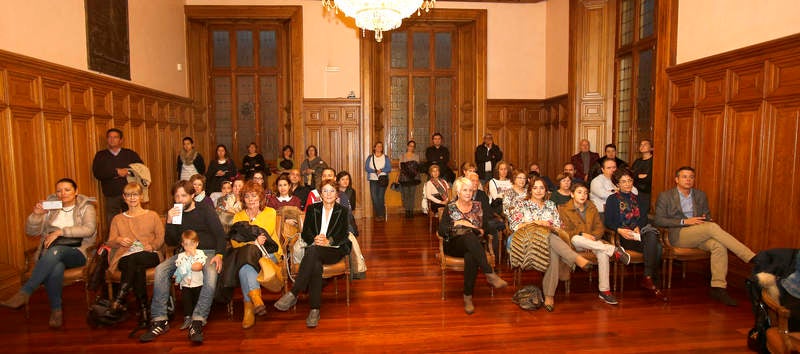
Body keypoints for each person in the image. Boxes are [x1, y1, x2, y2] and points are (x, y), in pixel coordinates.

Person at [1, 178, 97, 328]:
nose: (62, 193)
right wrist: (37, 215)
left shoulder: (86, 207)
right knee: (56, 267)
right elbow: (31, 232)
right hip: (51, 254)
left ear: (76, 191)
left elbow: (89, 229)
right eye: (59, 190)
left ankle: (24, 292)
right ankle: (56, 311)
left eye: (67, 190)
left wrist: (61, 232)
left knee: (55, 250)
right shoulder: (51, 207)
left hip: (77, 252)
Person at [655, 166, 756, 306]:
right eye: (684, 177)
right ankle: (750, 256)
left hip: (699, 232)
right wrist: (685, 221)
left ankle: (718, 287)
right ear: (676, 179)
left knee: (718, 245)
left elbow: (706, 216)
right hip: (677, 235)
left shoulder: (700, 195)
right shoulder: (665, 196)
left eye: (691, 177)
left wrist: (705, 218)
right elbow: (658, 220)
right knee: (712, 228)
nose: (688, 180)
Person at [140, 180, 226, 344]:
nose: (179, 199)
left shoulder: (205, 209)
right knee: (161, 269)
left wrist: (220, 254)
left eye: (183, 196)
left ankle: (197, 320)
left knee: (211, 273)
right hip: (184, 254)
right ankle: (160, 319)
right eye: (177, 196)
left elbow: (220, 235)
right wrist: (170, 222)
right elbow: (171, 242)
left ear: (192, 195)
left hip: (207, 252)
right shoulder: (175, 213)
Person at [505, 177, 593, 312]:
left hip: (549, 239)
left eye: (542, 188)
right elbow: (515, 225)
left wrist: (549, 227)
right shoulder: (521, 204)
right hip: (526, 239)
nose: (539, 191)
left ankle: (549, 296)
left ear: (546, 190)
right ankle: (575, 258)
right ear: (530, 190)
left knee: (552, 248)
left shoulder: (551, 205)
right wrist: (537, 223)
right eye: (535, 188)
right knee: (548, 238)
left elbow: (558, 226)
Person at [274, 180, 353, 328]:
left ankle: (294, 292)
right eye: (325, 191)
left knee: (312, 252)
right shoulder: (312, 209)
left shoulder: (342, 211)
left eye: (331, 191)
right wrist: (315, 238)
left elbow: (343, 234)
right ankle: (314, 310)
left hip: (334, 249)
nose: (328, 194)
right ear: (320, 194)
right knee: (315, 263)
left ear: (336, 194)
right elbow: (306, 233)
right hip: (315, 248)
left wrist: (328, 241)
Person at [437, 177, 508, 314]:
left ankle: (467, 297)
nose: (468, 193)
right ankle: (489, 273)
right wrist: (456, 224)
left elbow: (487, 227)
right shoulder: (450, 207)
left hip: (474, 246)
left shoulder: (478, 206)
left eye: (470, 190)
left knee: (471, 255)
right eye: (465, 190)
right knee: (468, 235)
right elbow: (441, 230)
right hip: (454, 245)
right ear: (458, 191)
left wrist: (480, 229)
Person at [560, 182, 630, 305]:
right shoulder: (564, 209)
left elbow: (600, 227)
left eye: (585, 193)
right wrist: (582, 234)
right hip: (574, 243)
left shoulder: (591, 207)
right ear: (572, 194)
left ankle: (604, 291)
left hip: (593, 242)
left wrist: (592, 238)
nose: (583, 195)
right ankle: (613, 250)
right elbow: (565, 231)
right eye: (579, 192)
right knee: (576, 238)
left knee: (602, 253)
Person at [106, 182, 165, 330]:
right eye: (128, 195)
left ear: (141, 196)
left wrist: (152, 246)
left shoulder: (152, 215)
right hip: (125, 255)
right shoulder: (117, 219)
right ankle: (144, 311)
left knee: (136, 259)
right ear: (124, 197)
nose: (132, 198)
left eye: (135, 194)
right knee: (135, 265)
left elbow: (160, 237)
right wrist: (119, 240)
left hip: (149, 254)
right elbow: (111, 241)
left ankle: (120, 297)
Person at [224, 181, 281, 329]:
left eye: (254, 195)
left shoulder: (270, 212)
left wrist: (248, 239)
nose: (251, 199)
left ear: (260, 197)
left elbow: (264, 234)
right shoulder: (238, 216)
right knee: (246, 265)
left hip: (269, 254)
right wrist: (253, 241)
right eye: (247, 196)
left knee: (245, 262)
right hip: (247, 256)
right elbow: (235, 242)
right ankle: (255, 301)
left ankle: (250, 307)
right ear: (243, 199)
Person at [604, 169, 667, 302]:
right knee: (658, 248)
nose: (627, 184)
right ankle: (653, 284)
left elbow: (643, 219)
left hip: (639, 234)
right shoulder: (612, 200)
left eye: (630, 181)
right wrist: (619, 230)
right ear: (617, 184)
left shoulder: (640, 199)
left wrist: (638, 227)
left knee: (651, 236)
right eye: (623, 181)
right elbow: (608, 222)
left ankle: (648, 278)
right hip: (623, 237)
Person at [92, 128, 143, 227]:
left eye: (115, 137)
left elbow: (141, 170)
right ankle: (114, 240)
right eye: (110, 137)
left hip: (131, 194)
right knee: (112, 220)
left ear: (121, 140)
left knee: (133, 218)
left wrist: (127, 171)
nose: (112, 139)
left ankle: (134, 240)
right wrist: (116, 172)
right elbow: (97, 173)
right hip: (111, 194)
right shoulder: (100, 155)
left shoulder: (130, 154)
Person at [173, 230, 206, 330]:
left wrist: (192, 257)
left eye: (192, 244)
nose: (189, 247)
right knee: (187, 302)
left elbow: (199, 266)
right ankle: (187, 318)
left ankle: (197, 318)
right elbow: (179, 267)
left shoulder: (200, 253)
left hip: (198, 283)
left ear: (197, 243)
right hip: (186, 284)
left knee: (197, 301)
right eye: (186, 244)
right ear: (183, 245)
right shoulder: (181, 256)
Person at [365, 142, 391, 220]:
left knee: (380, 197)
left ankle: (381, 215)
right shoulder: (370, 157)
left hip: (383, 179)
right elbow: (366, 168)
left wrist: (381, 170)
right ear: (374, 148)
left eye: (381, 146)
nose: (379, 147)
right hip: (373, 180)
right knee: (374, 197)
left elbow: (389, 168)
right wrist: (375, 171)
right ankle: (379, 213)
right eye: (378, 146)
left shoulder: (385, 157)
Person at [631, 139, 654, 219]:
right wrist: (638, 176)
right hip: (633, 191)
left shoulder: (654, 161)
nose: (642, 146)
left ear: (651, 148)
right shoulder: (637, 161)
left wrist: (636, 176)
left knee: (641, 214)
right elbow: (631, 175)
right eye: (641, 144)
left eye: (645, 144)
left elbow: (648, 178)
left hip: (646, 193)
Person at [399, 140, 421, 218]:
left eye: (413, 146)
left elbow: (417, 167)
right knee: (405, 195)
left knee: (412, 194)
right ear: (407, 146)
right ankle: (407, 210)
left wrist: (411, 172)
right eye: (410, 146)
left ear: (414, 148)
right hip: (404, 178)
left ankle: (411, 211)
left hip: (413, 178)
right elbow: (401, 167)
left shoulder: (416, 156)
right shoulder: (402, 156)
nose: (411, 147)